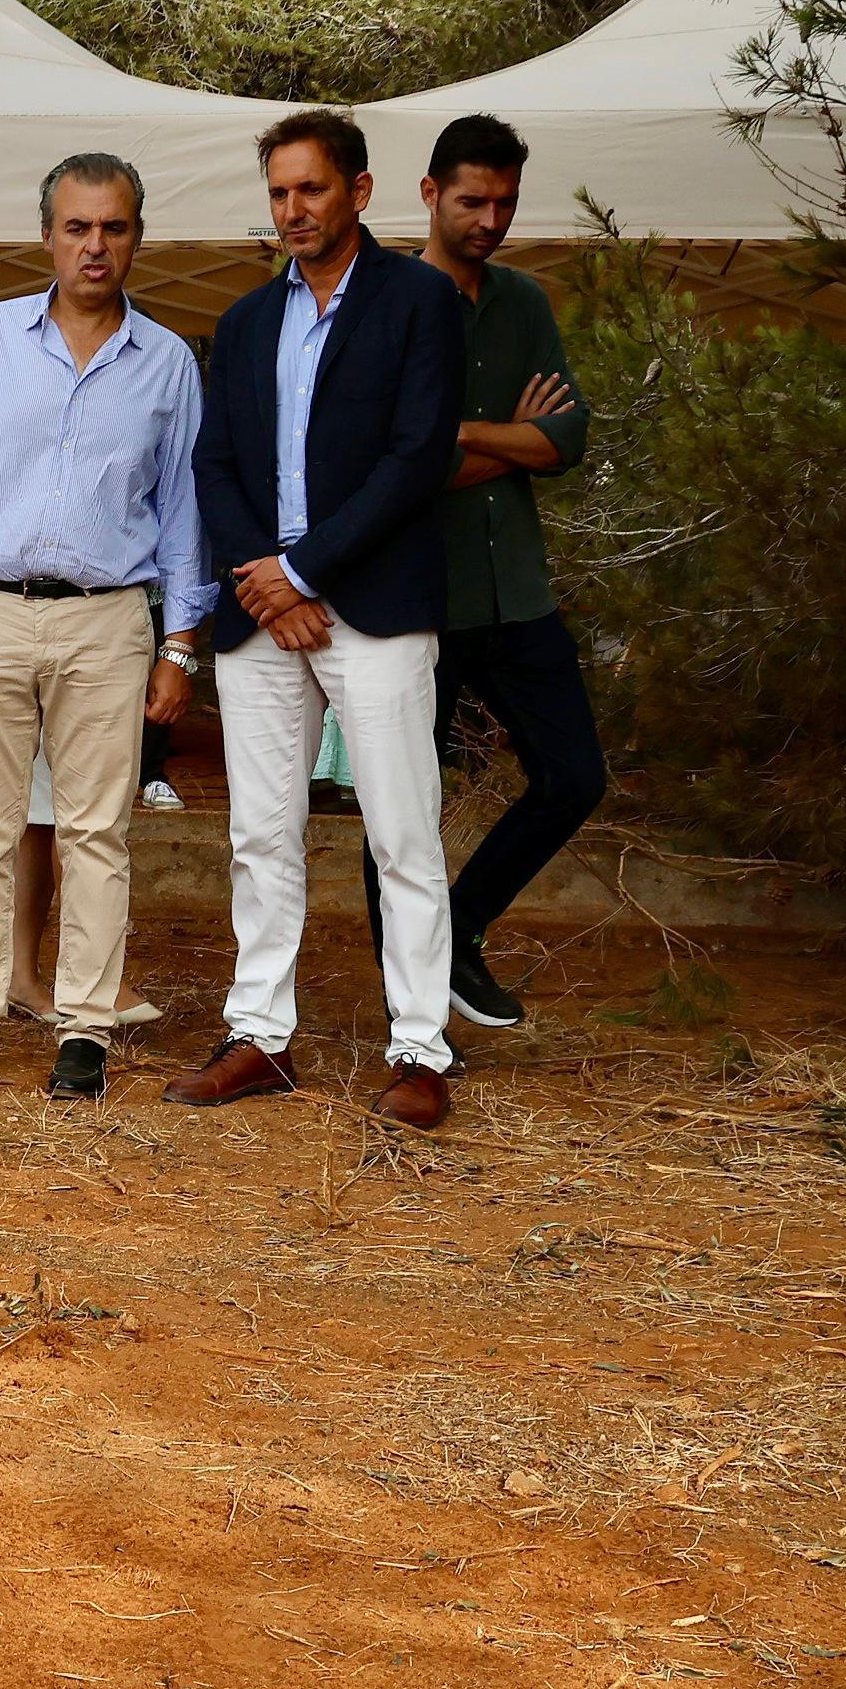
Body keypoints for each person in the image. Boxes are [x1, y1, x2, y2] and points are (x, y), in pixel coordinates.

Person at [170, 108, 466, 1129]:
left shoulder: (419, 301)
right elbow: (216, 463)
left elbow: (418, 458)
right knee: (260, 833)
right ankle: (260, 1034)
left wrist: (304, 570)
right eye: (279, 193)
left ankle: (422, 1048)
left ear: (359, 193)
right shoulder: (249, 320)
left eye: (311, 189)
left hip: (373, 610)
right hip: (264, 617)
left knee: (401, 834)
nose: (293, 210)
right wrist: (264, 581)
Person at [0, 152, 209, 1100]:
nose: (95, 246)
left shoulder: (167, 365)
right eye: (77, 228)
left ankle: (85, 1029)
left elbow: (186, 510)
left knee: (97, 833)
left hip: (109, 621)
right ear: (47, 237)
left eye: (113, 228)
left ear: (137, 239)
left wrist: (181, 642)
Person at [351, 116, 600, 1029]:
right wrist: (507, 440)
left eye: (505, 202)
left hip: (516, 589)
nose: (492, 218)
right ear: (428, 194)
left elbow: (567, 438)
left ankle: (456, 932)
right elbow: (392, 465)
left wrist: (458, 431)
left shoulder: (524, 302)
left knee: (574, 776)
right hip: (419, 598)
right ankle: (405, 1003)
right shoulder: (384, 304)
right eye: (472, 201)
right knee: (403, 805)